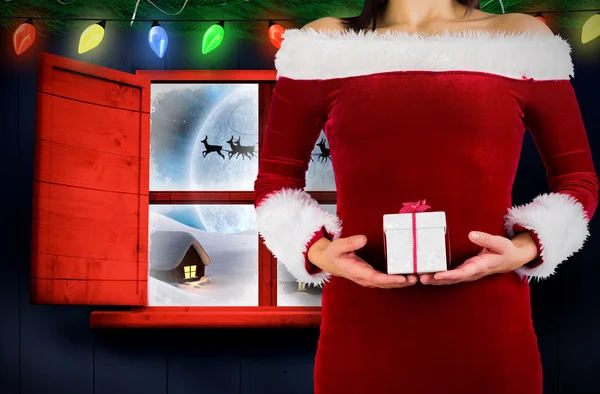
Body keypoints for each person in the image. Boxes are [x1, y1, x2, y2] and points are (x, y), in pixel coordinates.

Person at [253, 0, 599, 393]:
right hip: (362, 335)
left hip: (489, 335)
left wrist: (524, 248)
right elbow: (275, 181)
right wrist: (318, 252)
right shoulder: (321, 43)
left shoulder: (521, 37)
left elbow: (578, 179)